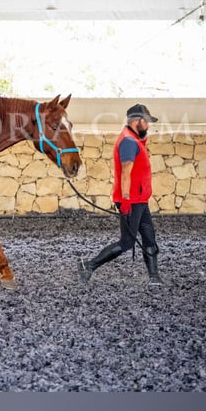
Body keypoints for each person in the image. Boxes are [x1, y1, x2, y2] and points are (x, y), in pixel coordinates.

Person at [78, 103, 163, 287]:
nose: (148, 126)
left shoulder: (134, 139)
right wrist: (125, 201)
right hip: (131, 200)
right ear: (137, 121)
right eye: (146, 122)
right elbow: (126, 173)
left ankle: (154, 278)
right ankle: (88, 266)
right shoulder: (128, 142)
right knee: (126, 242)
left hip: (140, 199)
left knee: (149, 237)